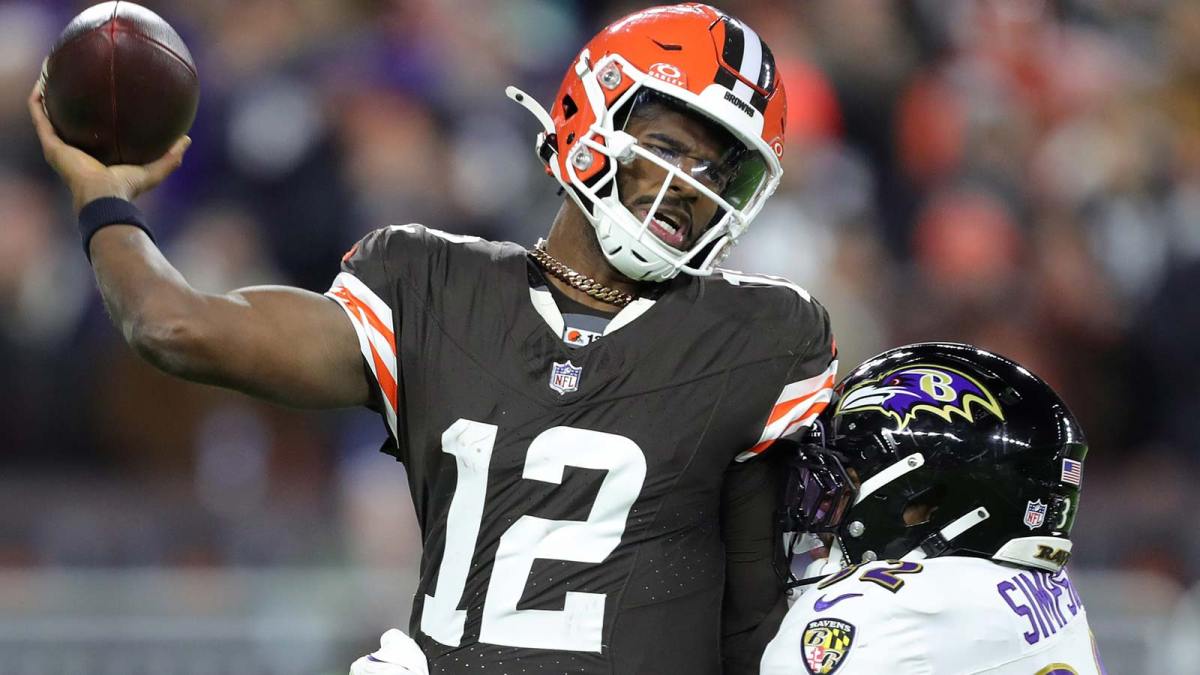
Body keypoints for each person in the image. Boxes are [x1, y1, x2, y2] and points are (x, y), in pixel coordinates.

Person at [30, 4, 836, 674]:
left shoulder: (761, 339)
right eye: (666, 148)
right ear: (590, 116)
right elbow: (171, 325)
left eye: (719, 171)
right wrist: (103, 198)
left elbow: (763, 627)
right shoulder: (432, 286)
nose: (690, 189)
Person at [760, 342, 1105, 675]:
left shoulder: (867, 613)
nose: (821, 511)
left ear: (924, 501)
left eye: (842, 487)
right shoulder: (1047, 584)